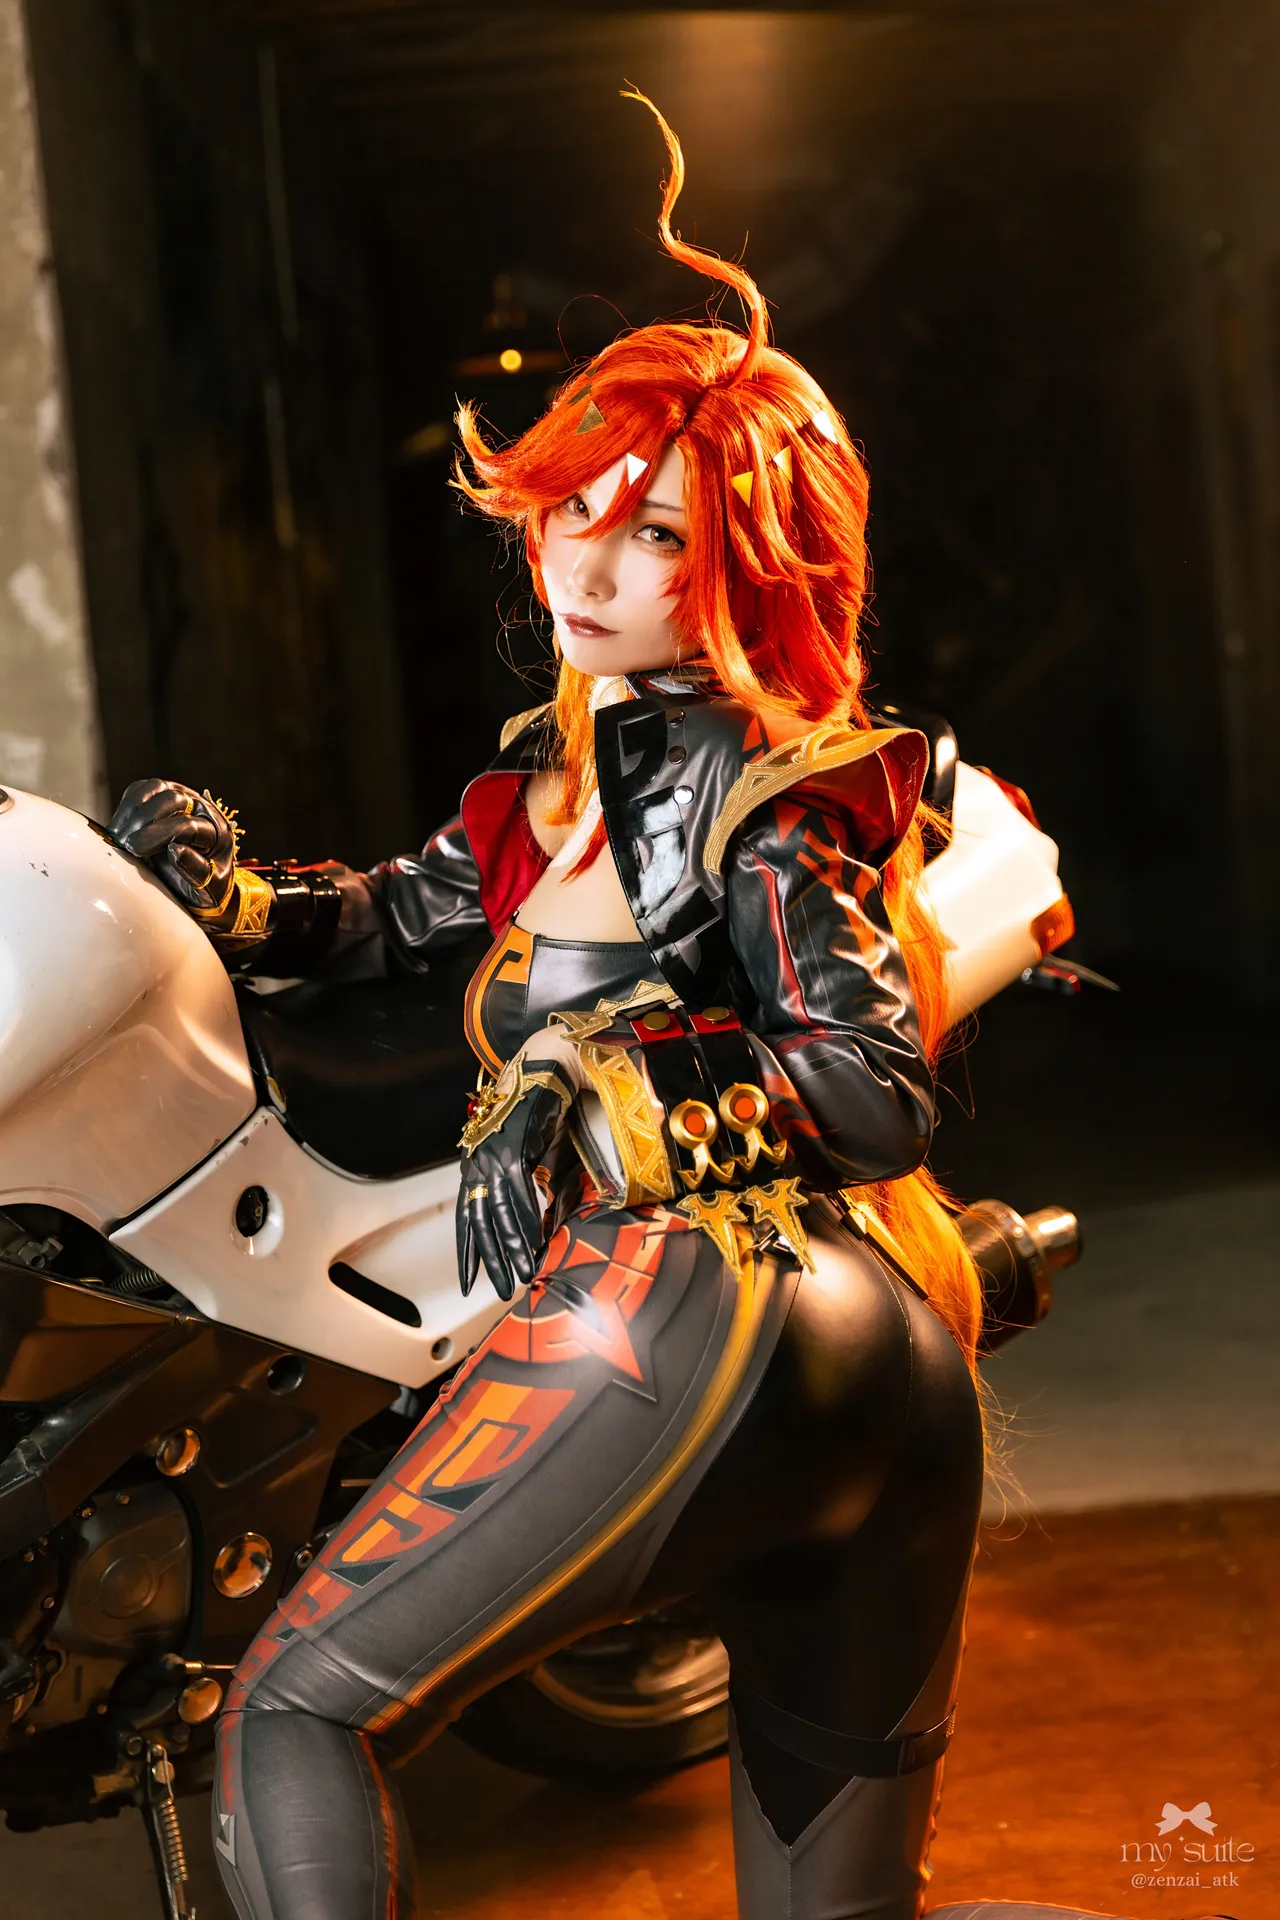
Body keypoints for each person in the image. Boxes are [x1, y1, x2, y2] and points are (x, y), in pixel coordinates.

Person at [113, 92, 1161, 1920]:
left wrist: (609, 1082)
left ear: (751, 559)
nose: (588, 570)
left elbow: (873, 1085)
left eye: (655, 533)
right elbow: (396, 918)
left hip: (710, 1306)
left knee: (289, 1716)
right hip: (866, 1374)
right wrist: (235, 896)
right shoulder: (561, 777)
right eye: (571, 519)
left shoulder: (776, 791)